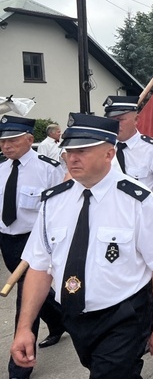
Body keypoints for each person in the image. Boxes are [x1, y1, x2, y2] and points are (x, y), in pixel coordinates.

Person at [10, 113, 153, 378]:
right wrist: (24, 328)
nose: (72, 157)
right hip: (74, 315)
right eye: (69, 151)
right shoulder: (53, 203)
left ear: (109, 154)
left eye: (83, 150)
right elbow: (39, 267)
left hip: (124, 315)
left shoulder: (137, 200)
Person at [0, 116, 66, 378]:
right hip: (7, 240)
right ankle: (60, 319)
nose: (6, 146)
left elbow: (60, 207)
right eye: (3, 141)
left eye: (13, 140)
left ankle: (20, 365)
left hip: (35, 240)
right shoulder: (1, 168)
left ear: (30, 139)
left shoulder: (48, 168)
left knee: (24, 296)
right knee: (35, 291)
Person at [103, 95, 153, 241]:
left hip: (147, 226)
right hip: (113, 226)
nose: (115, 125)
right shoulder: (102, 149)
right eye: (111, 120)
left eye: (120, 120)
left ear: (136, 120)